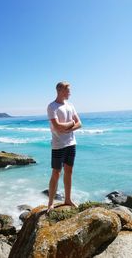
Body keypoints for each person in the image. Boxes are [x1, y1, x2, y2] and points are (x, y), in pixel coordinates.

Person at [47, 81, 82, 212]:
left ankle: (67, 199)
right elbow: (57, 127)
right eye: (68, 90)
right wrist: (71, 123)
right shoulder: (52, 106)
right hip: (58, 145)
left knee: (69, 171)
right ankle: (50, 203)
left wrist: (67, 127)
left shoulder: (70, 105)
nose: (70, 93)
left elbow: (80, 123)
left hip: (71, 143)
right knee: (56, 173)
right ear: (60, 90)